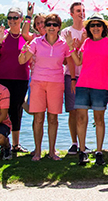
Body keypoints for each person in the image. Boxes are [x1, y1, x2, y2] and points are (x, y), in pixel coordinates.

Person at [18, 13, 72, 161]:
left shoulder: (64, 44)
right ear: (45, 27)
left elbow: (68, 62)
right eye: (48, 24)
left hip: (56, 83)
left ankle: (52, 151)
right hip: (37, 82)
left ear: (59, 27)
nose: (51, 27)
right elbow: (22, 60)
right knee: (38, 118)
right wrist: (23, 51)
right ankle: (37, 152)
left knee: (53, 118)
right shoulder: (36, 42)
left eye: (55, 25)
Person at [66, 13, 108, 165]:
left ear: (103, 28)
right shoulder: (86, 42)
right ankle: (82, 151)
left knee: (99, 120)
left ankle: (99, 152)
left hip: (101, 86)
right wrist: (70, 47)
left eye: (99, 25)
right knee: (81, 119)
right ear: (89, 28)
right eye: (93, 25)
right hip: (83, 84)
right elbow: (78, 61)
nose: (96, 27)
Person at [0, 7, 31, 153]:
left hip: (21, 78)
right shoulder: (2, 35)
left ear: (21, 19)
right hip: (2, 78)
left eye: (15, 18)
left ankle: (15, 144)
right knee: (2, 111)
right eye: (9, 18)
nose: (12, 21)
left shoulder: (25, 36)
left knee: (16, 110)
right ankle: (3, 144)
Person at [59, 2, 87, 155]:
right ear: (71, 14)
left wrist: (83, 42)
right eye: (78, 11)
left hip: (86, 75)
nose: (81, 13)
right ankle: (74, 142)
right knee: (73, 110)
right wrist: (72, 80)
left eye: (83, 10)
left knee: (83, 112)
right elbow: (67, 56)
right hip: (71, 75)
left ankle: (83, 142)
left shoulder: (88, 31)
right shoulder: (66, 32)